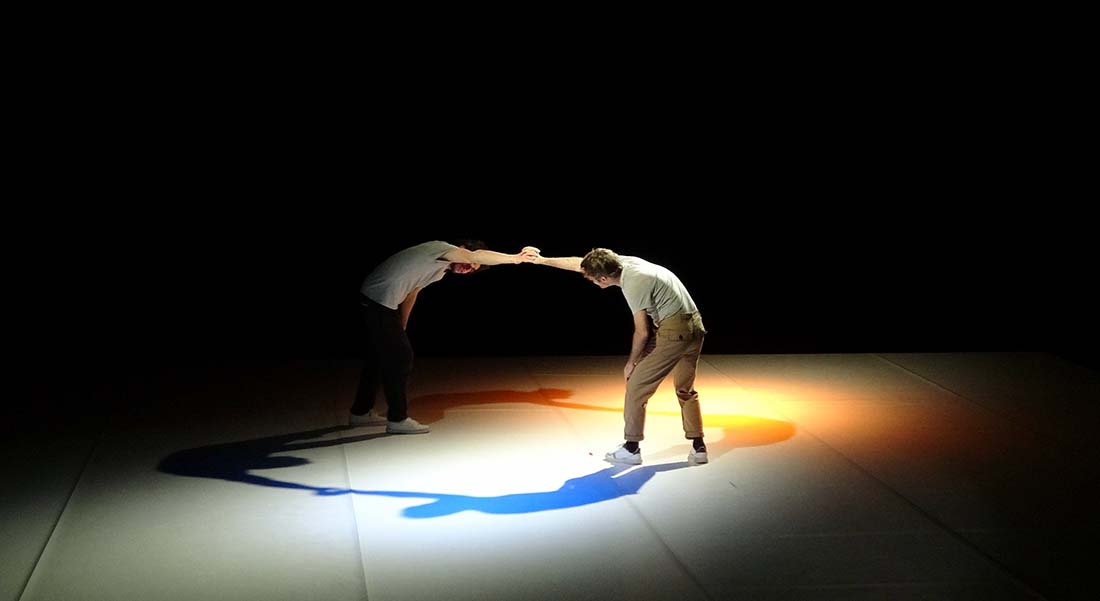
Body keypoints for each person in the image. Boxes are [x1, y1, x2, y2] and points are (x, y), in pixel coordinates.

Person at [532, 247, 708, 464]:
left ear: (604, 279)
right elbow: (579, 263)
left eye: (594, 281)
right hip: (695, 328)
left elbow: (642, 332)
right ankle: (699, 447)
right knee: (685, 389)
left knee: (635, 386)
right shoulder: (621, 262)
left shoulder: (633, 283)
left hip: (673, 333)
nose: (594, 283)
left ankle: (631, 448)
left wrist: (631, 362)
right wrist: (542, 260)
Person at [352, 240, 539, 434]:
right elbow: (474, 256)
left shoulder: (439, 271)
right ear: (463, 249)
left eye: (470, 270)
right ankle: (397, 419)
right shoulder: (442, 249)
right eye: (468, 263)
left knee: (378, 357)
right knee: (401, 358)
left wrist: (402, 325)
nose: (467, 269)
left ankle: (360, 413)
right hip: (377, 301)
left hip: (379, 301)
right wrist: (515, 259)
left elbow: (412, 292)